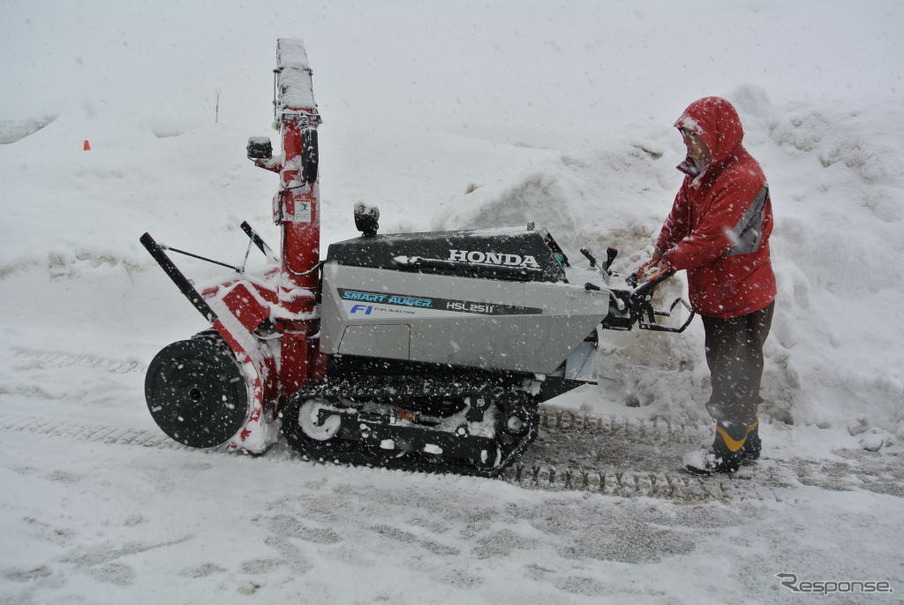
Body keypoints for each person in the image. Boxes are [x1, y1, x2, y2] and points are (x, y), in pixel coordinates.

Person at [644, 96, 776, 474]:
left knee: (734, 370)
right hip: (720, 292)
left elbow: (715, 237)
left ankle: (728, 451)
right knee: (733, 367)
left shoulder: (741, 177)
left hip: (742, 295)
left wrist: (670, 261)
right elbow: (681, 216)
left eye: (694, 137)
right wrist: (658, 250)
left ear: (718, 135)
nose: (689, 145)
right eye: (685, 137)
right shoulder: (704, 170)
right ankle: (747, 441)